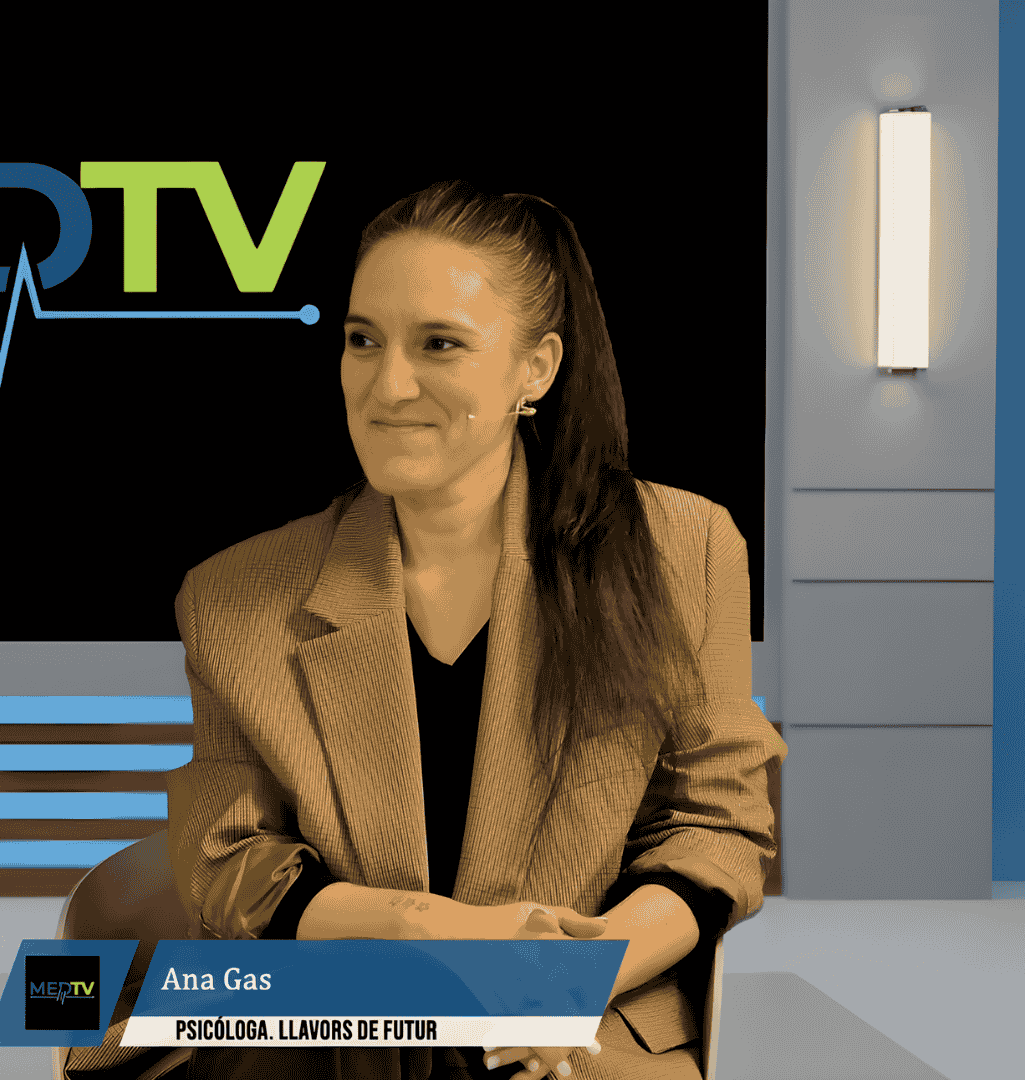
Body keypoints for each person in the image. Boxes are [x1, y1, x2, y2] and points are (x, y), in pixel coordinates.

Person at [158, 181, 786, 1080]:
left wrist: (572, 977)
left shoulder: (687, 549)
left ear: (537, 368)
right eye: (362, 340)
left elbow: (716, 828)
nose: (387, 385)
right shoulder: (231, 598)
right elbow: (228, 857)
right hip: (335, 1025)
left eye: (440, 344)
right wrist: (429, 927)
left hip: (581, 1026)